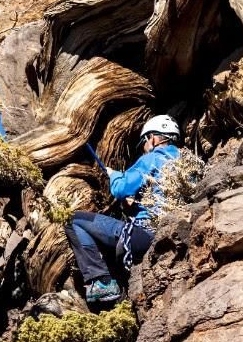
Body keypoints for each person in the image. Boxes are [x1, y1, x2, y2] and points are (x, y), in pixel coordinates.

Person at [64, 115, 180, 305]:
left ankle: (101, 282)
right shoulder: (185, 162)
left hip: (142, 235)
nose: (144, 147)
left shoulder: (153, 158)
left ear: (153, 138)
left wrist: (115, 175)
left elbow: (121, 188)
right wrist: (134, 207)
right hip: (165, 233)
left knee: (73, 220)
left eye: (144, 141)